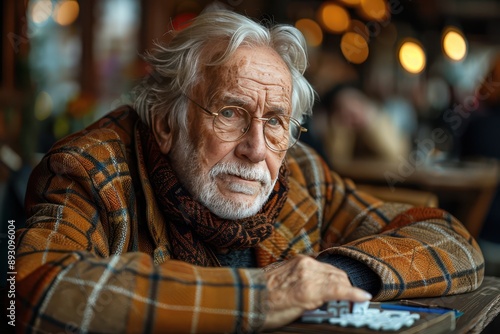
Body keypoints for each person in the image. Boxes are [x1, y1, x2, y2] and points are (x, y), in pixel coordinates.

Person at [16, 6, 484, 333]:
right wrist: (267, 295)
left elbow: (450, 240)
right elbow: (37, 289)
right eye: (230, 113)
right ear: (164, 123)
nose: (257, 149)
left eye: (276, 121)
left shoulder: (300, 174)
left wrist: (339, 274)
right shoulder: (89, 169)